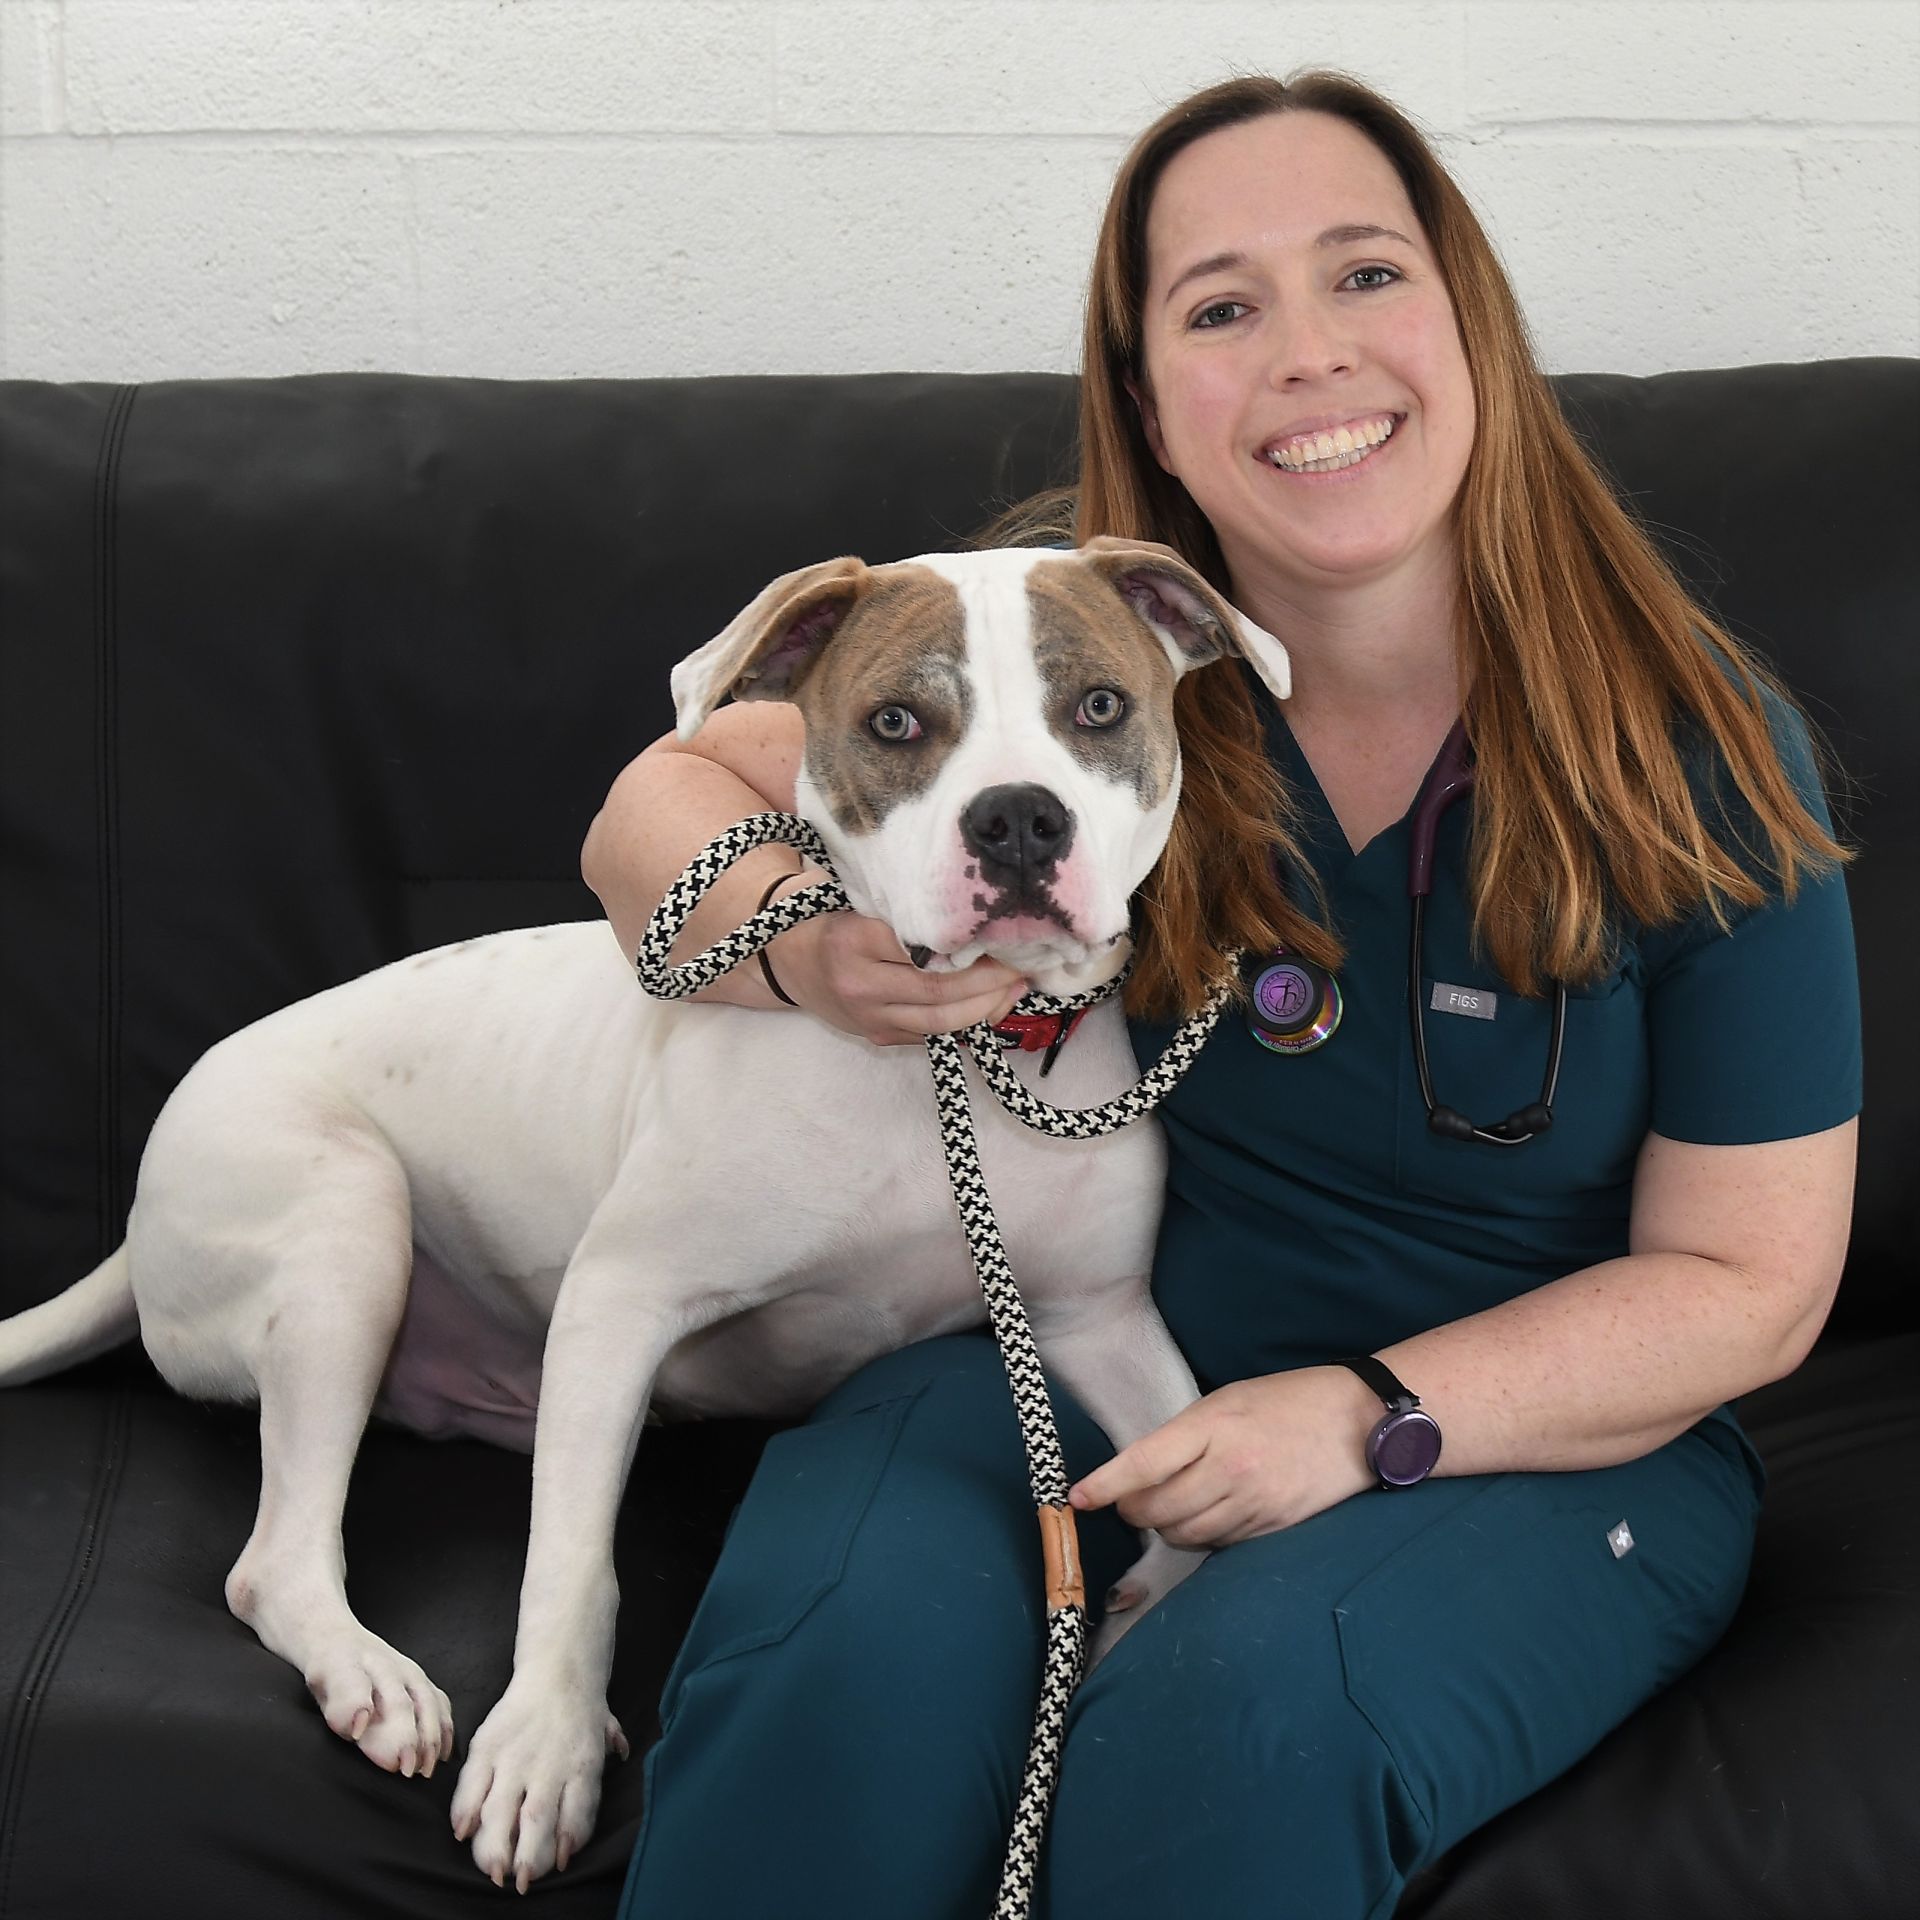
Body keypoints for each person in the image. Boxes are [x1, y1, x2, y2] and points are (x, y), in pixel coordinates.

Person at [581, 70, 1861, 1920]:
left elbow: (1754, 1286)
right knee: (832, 1675)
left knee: (1233, 1732)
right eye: (1221, 307)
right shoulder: (1082, 650)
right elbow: (659, 795)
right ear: (1152, 401)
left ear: (1467, 323)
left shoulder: (1701, 755)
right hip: (1085, 1351)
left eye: (1365, 275)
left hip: (1531, 1437)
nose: (1308, 358)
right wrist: (809, 947)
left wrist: (1358, 1415)